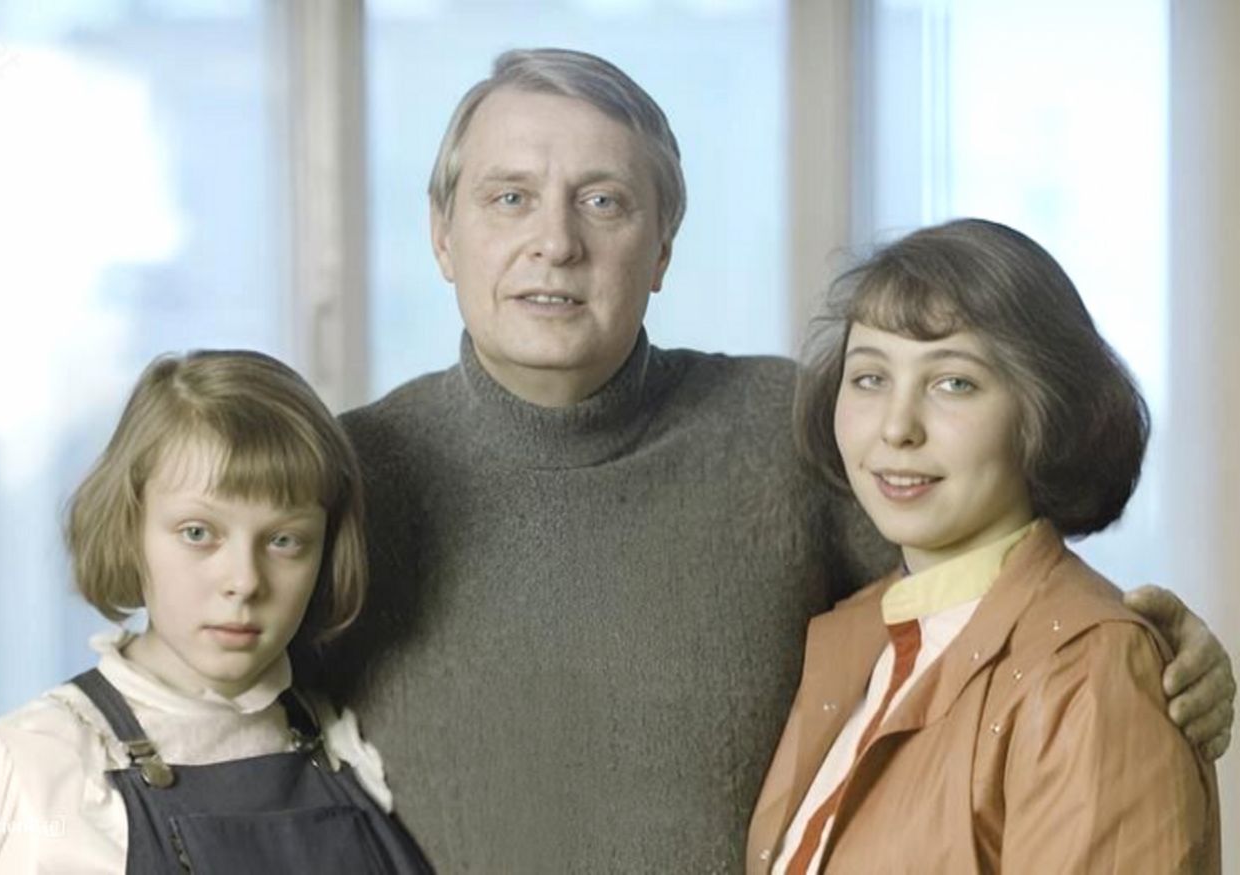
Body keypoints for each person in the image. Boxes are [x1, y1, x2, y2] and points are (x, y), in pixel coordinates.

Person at [327, 48, 1235, 872]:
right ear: (441, 234)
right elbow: (240, 723)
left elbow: (986, 603)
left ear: (662, 248)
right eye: (509, 197)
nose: (556, 242)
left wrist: (1152, 648)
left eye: (603, 201)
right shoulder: (347, 476)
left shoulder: (785, 430)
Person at [748, 219, 1220, 873]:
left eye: (954, 383)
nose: (896, 427)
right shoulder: (859, 634)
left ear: (1044, 412)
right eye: (870, 377)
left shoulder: (1091, 668)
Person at [0, 351, 432, 874]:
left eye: (284, 540)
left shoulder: (347, 743)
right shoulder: (35, 765)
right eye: (198, 533)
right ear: (130, 531)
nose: (244, 581)